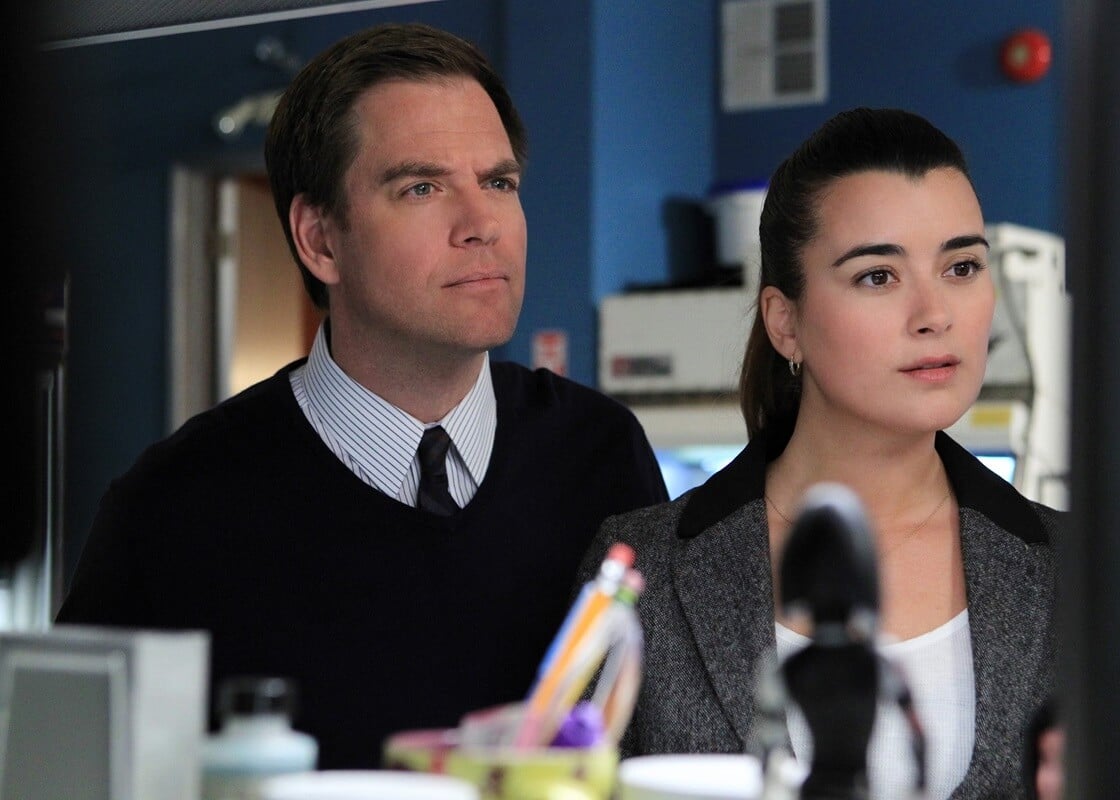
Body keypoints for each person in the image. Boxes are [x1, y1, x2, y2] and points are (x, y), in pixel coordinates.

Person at [57, 22, 667, 769]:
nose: (482, 225)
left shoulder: (601, 454)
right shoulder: (170, 507)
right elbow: (69, 771)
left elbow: (666, 736)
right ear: (320, 240)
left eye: (499, 183)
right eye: (422, 187)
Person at [577, 108, 1064, 799]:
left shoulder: (1078, 574)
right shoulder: (641, 571)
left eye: (961, 267)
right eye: (878, 276)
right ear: (785, 322)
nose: (934, 314)